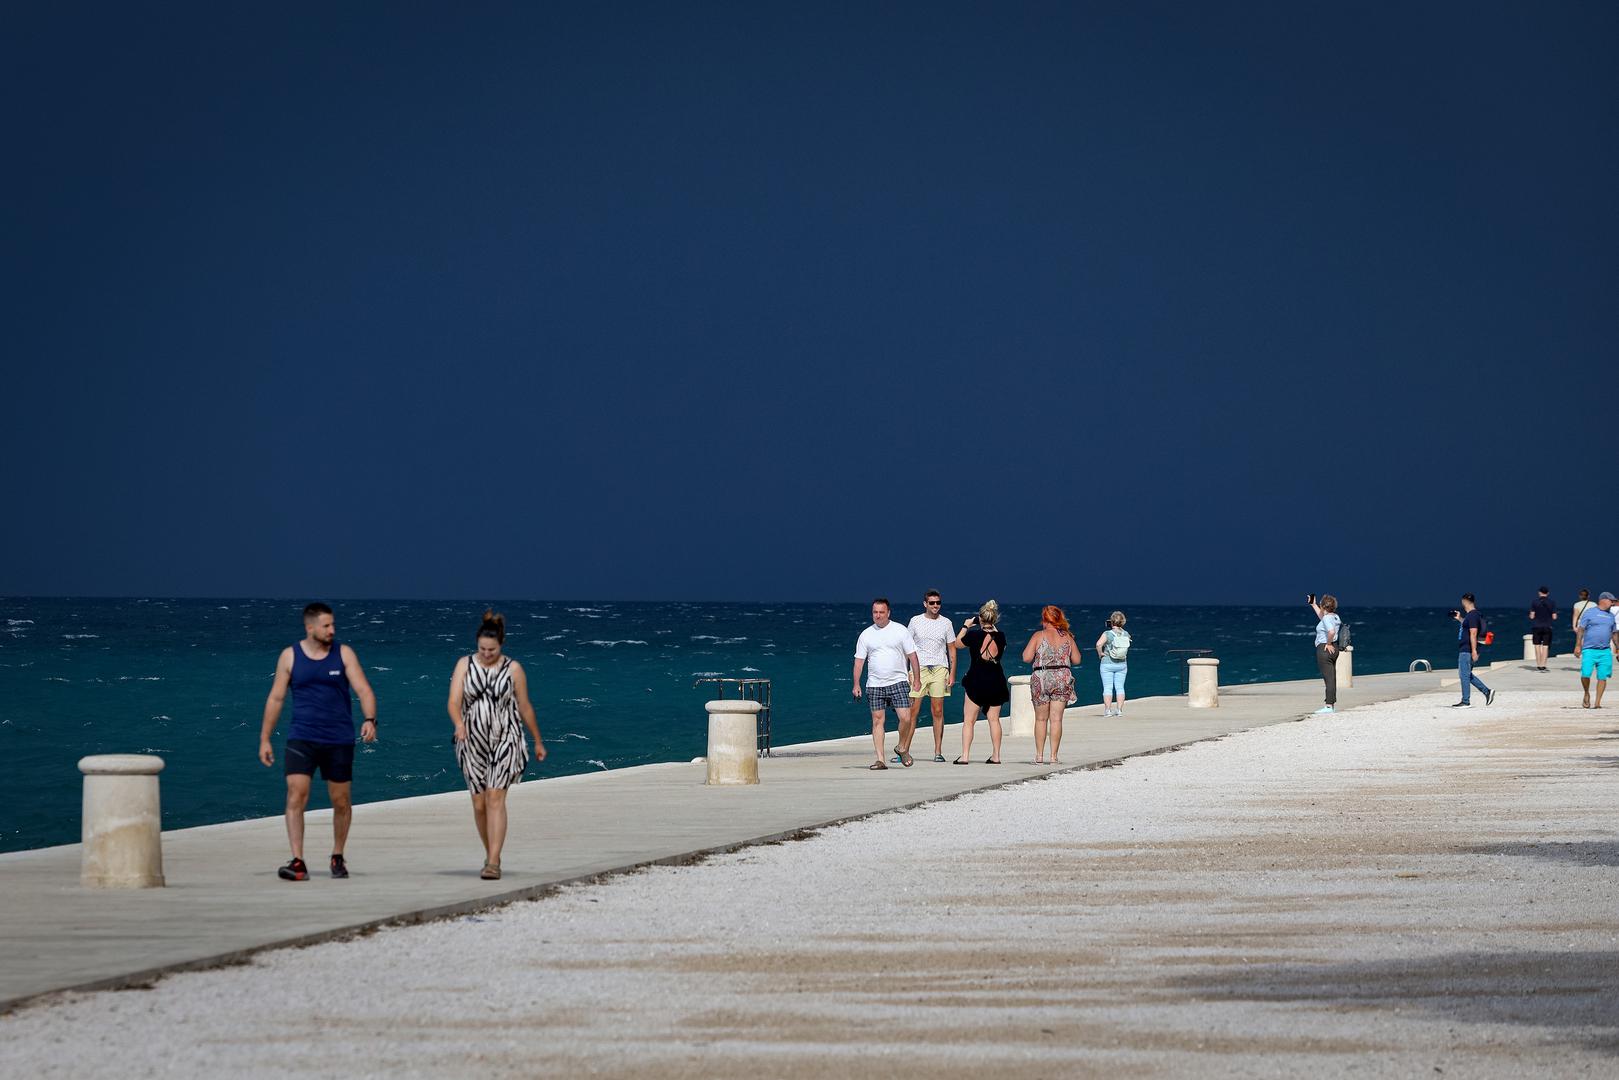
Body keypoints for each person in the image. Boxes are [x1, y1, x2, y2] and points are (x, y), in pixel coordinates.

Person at [257, 602, 378, 881]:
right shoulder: (290, 656)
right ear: (309, 627)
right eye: (326, 626)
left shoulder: (344, 654)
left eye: (333, 625)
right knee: (296, 795)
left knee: (341, 801)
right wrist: (265, 738)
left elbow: (364, 689)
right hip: (302, 737)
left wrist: (370, 719)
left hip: (339, 739)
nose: (332, 630)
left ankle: (337, 855)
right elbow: (276, 698)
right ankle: (298, 861)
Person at [448, 610, 546, 880]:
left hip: (506, 738)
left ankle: (493, 861)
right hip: (471, 741)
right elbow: (454, 701)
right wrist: (458, 723)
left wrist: (537, 740)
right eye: (482, 649)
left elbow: (524, 706)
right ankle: (492, 852)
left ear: (500, 645)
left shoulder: (513, 669)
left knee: (495, 797)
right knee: (479, 804)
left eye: (491, 650)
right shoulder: (464, 665)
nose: (486, 654)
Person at [852, 598, 920, 769]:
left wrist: (917, 679)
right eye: (875, 612)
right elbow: (859, 662)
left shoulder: (900, 630)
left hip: (898, 681)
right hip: (875, 684)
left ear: (888, 613)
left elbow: (912, 656)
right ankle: (880, 759)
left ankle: (902, 746)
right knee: (877, 720)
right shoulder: (866, 634)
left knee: (906, 717)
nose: (878, 615)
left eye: (882, 612)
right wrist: (856, 684)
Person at [1022, 605, 1080, 764]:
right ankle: (1053, 757)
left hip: (1041, 678)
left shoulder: (1038, 635)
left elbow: (1026, 658)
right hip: (1062, 678)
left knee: (1041, 719)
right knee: (1056, 720)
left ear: (1045, 620)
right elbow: (1077, 660)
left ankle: (1039, 756)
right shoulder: (1067, 637)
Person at [954, 600, 1009, 764]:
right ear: (994, 619)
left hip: (976, 681)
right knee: (994, 719)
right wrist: (992, 626)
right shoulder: (1001, 636)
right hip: (996, 682)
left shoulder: (974, 635)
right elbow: (1000, 644)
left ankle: (965, 756)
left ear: (980, 618)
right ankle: (996, 756)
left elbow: (957, 644)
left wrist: (966, 626)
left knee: (969, 721)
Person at [905, 590, 957, 763]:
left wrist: (952, 674)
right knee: (912, 712)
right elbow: (907, 648)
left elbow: (952, 649)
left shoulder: (946, 623)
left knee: (937, 710)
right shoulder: (915, 621)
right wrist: (906, 672)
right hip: (918, 670)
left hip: (939, 669)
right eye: (932, 603)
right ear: (925, 604)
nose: (935, 606)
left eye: (938, 603)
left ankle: (938, 751)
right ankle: (904, 750)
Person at [1574, 591, 1618, 709]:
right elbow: (1581, 630)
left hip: (1605, 651)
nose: (1613, 603)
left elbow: (1614, 634)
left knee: (1602, 677)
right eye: (1611, 601)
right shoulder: (1590, 613)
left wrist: (1618, 649)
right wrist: (1578, 645)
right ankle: (1586, 693)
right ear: (1603, 600)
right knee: (1585, 674)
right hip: (1589, 650)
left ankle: (1597, 703)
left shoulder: (1611, 616)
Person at [1451, 593, 1496, 708]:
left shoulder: (1472, 615)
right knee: (1467, 674)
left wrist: (1474, 651)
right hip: (1467, 648)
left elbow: (1473, 633)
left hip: (1467, 649)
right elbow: (1468, 627)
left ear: (1464, 602)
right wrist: (1460, 619)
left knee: (1464, 675)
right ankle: (1487, 692)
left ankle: (1466, 701)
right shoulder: (1473, 616)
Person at [1308, 594, 1342, 714]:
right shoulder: (1335, 617)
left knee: (1329, 678)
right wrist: (1313, 604)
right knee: (1331, 677)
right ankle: (1330, 705)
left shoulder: (1327, 619)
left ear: (1324, 606)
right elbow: (1322, 616)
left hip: (1326, 648)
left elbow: (1331, 631)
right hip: (1335, 648)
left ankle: (1328, 706)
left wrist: (1328, 643)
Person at [1094, 611, 1131, 717]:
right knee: (1120, 687)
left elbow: (1098, 644)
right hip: (1122, 664)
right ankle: (1119, 710)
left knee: (1107, 687)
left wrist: (1100, 653)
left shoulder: (1107, 634)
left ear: (1111, 622)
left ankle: (1108, 710)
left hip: (1107, 664)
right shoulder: (1126, 634)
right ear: (1122, 622)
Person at [1528, 586, 1558, 671]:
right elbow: (1554, 617)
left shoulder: (1534, 602)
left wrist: (1532, 615)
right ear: (1548, 593)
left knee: (1537, 646)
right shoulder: (1552, 602)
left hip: (1536, 626)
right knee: (1545, 646)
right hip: (1547, 626)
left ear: (1539, 592)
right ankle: (1543, 665)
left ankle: (1538, 664)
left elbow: (1532, 616)